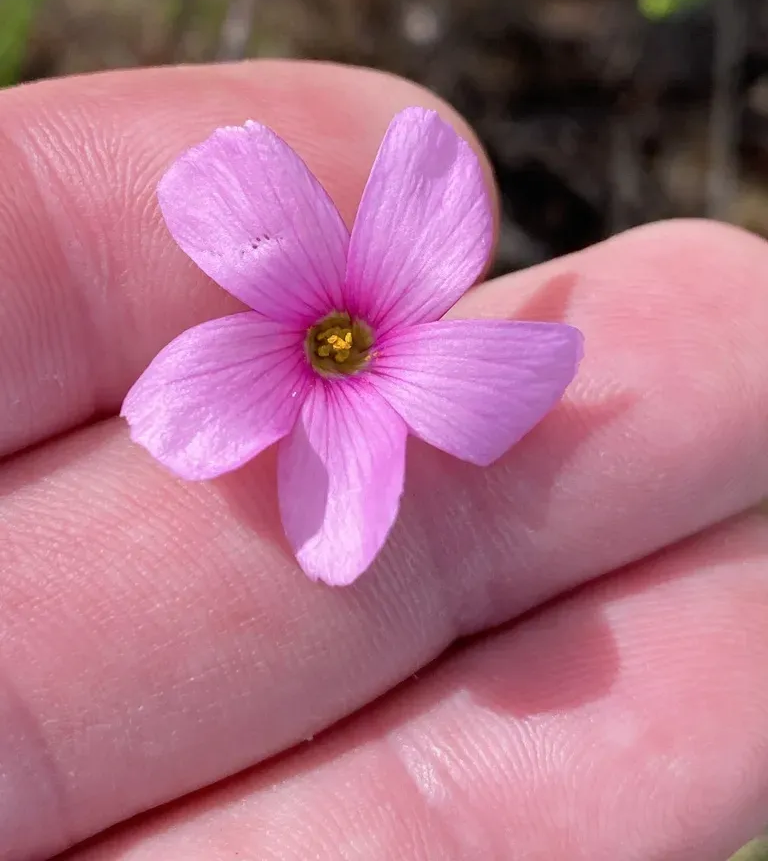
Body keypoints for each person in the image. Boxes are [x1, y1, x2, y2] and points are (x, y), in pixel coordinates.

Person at [1, 60, 767, 861]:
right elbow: (183, 416)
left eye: (345, 340)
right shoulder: (286, 342)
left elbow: (489, 362)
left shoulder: (373, 340)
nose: (341, 343)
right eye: (336, 342)